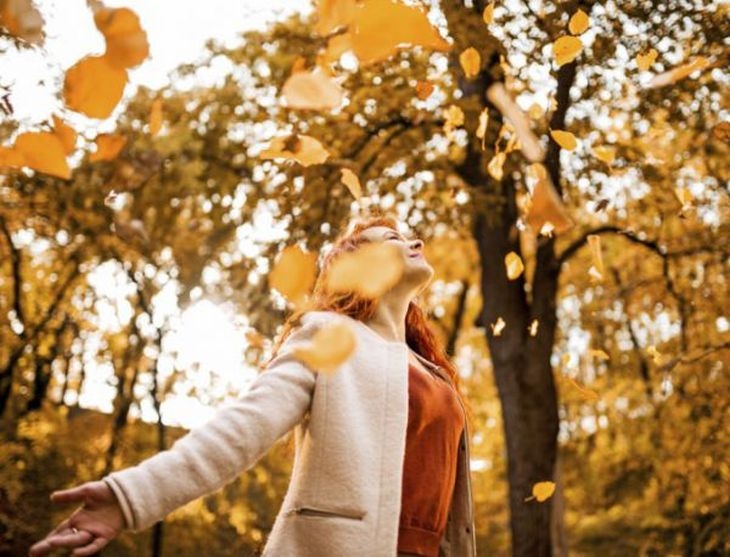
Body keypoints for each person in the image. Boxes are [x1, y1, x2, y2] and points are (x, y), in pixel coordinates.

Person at [29, 214, 477, 557]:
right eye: (395, 239)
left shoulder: (432, 369)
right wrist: (130, 498)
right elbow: (242, 428)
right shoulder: (330, 335)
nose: (415, 241)